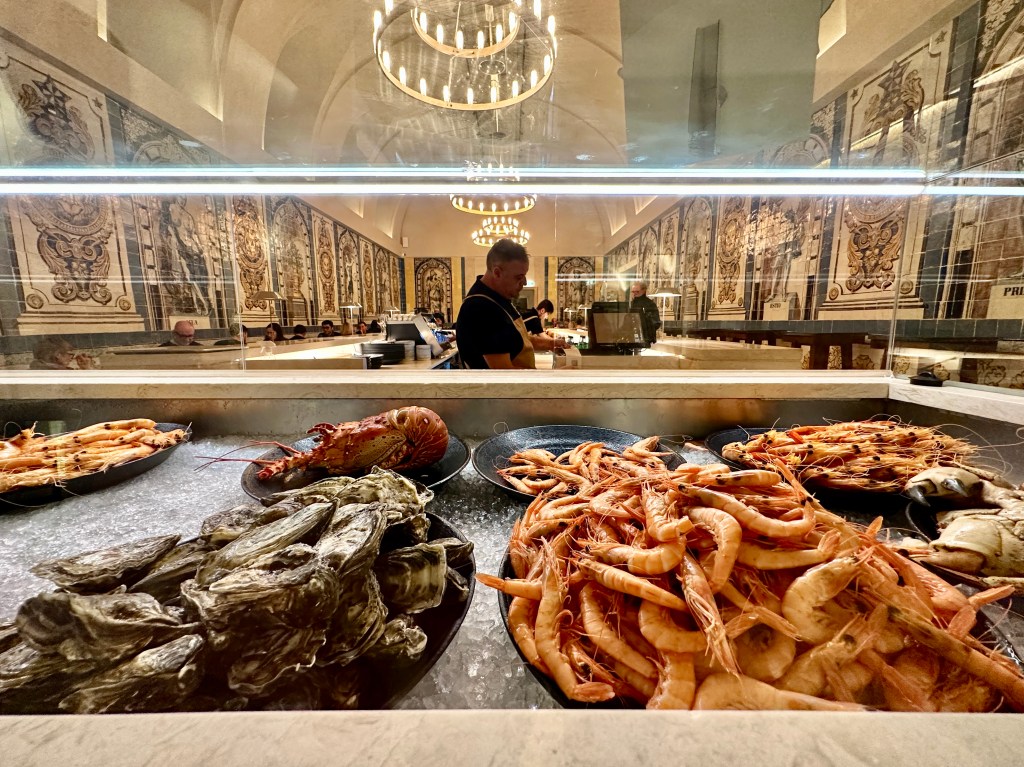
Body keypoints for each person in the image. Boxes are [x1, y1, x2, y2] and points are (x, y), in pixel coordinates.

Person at [454, 239, 568, 370]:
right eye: (519, 277)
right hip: (499, 390)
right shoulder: (481, 307)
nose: (524, 282)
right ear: (497, 272)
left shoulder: (499, 299)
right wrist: (555, 377)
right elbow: (504, 373)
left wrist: (552, 344)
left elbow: (517, 340)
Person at [30, 336, 98, 369]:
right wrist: (87, 368)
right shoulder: (63, 373)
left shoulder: (37, 368)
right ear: (58, 355)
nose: (72, 357)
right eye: (70, 354)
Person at [629, 281, 661, 347]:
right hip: (630, 336)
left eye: (637, 291)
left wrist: (647, 330)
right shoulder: (631, 304)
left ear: (643, 290)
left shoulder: (650, 304)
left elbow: (656, 322)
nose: (634, 294)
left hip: (645, 337)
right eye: (633, 292)